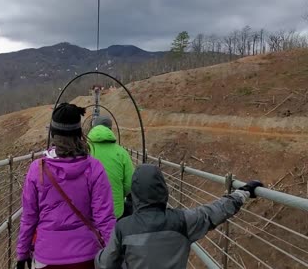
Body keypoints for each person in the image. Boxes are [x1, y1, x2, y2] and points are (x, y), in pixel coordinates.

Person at [95, 164, 264, 269]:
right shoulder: (183, 220)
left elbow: (105, 263)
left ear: (135, 193)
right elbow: (214, 211)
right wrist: (243, 193)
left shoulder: (123, 227)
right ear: (163, 189)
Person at [17, 103, 116, 269]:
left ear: (53, 134)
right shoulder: (94, 168)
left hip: (47, 256)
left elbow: (29, 217)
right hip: (86, 256)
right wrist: (114, 254)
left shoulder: (37, 169)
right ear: (79, 134)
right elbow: (104, 218)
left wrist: (22, 253)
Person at [87, 115, 133, 219]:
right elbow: (129, 184)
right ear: (110, 129)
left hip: (89, 213)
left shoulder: (84, 150)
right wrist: (120, 194)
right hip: (114, 212)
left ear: (93, 128)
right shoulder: (121, 153)